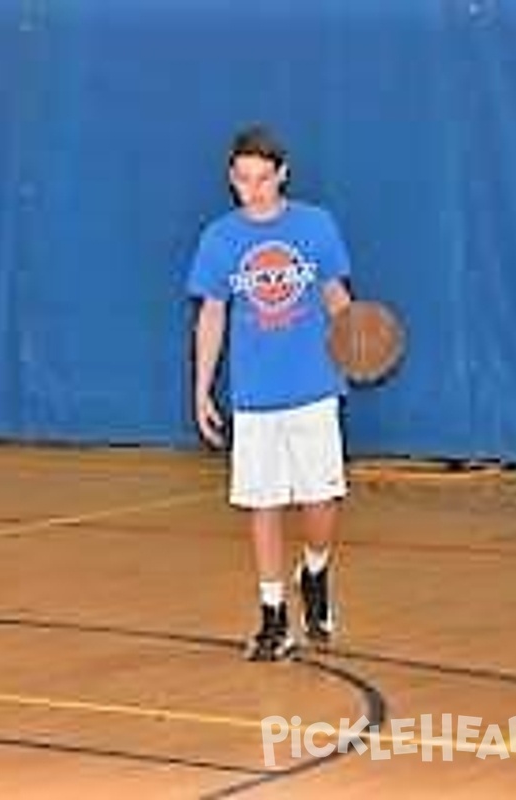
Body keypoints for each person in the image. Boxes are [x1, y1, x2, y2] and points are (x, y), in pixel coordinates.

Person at [186, 125, 353, 661]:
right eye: (243, 179)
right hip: (254, 395)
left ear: (282, 174)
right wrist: (202, 387)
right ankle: (273, 616)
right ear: (231, 180)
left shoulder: (315, 225)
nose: (253, 189)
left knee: (320, 501)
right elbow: (211, 314)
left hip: (314, 385)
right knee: (261, 503)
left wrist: (357, 341)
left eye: (263, 178)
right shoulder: (219, 239)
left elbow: (334, 293)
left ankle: (316, 569)